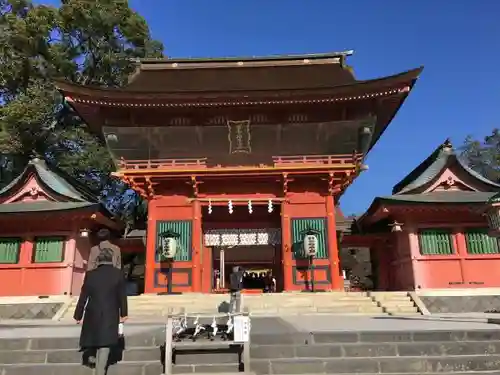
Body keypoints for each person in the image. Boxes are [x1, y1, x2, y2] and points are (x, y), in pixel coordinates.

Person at [74, 249, 128, 375]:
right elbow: (122, 296)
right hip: (110, 311)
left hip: (92, 311)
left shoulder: (91, 274)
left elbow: (83, 296)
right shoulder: (118, 274)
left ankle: (95, 364)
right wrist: (124, 313)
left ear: (98, 260)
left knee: (95, 339)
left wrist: (78, 314)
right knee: (105, 343)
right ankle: (100, 370)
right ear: (111, 260)